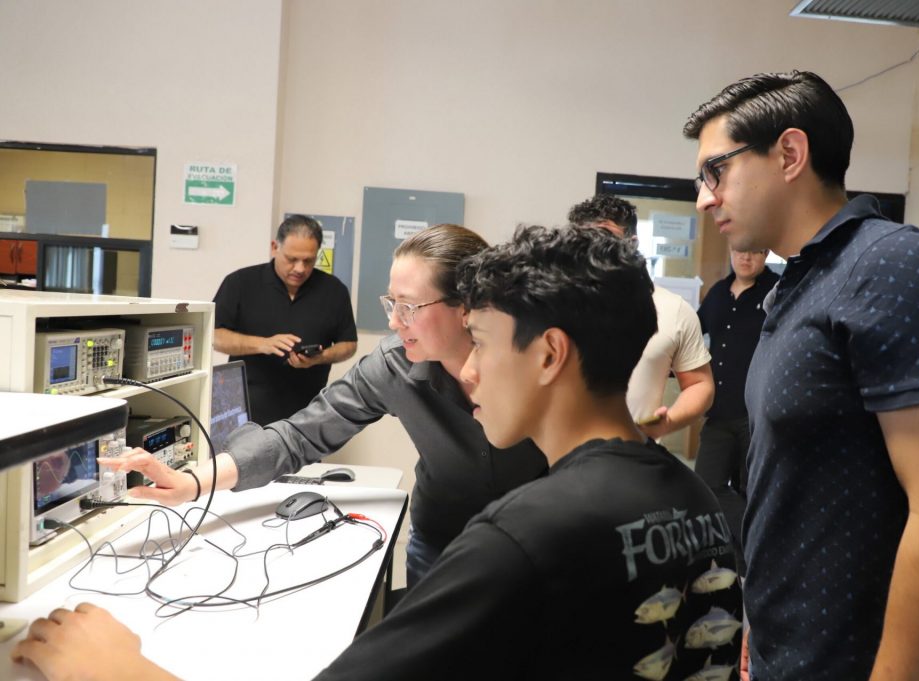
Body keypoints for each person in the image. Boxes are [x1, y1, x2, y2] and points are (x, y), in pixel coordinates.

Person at [12, 225, 741, 681]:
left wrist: (124, 671)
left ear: (548, 353)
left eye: (482, 342)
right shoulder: (696, 500)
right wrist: (199, 477)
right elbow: (304, 431)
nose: (471, 373)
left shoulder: (523, 536)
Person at [683, 70, 919, 681]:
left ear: (790, 154)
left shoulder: (894, 267)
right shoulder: (802, 283)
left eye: (715, 171)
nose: (704, 198)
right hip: (792, 649)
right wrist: (762, 624)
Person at [102, 224, 547, 588]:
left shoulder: (537, 361)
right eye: (392, 303)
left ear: (467, 306)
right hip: (442, 541)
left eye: (409, 306)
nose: (394, 322)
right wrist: (193, 483)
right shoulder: (393, 366)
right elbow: (299, 435)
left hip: (540, 542)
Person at [568, 195, 714, 441]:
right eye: (580, 240)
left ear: (632, 244)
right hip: (559, 456)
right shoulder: (555, 305)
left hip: (633, 451)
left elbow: (700, 384)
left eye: (602, 237)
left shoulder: (672, 309)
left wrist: (668, 422)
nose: (590, 249)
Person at [212, 214, 358, 425]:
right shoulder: (240, 283)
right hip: (244, 411)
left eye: (308, 260)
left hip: (308, 414)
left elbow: (349, 344)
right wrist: (263, 344)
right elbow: (214, 336)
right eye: (292, 259)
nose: (300, 268)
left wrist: (320, 357)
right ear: (275, 247)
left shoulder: (334, 290)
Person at [695, 247, 778, 574]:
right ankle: (763, 548)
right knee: (708, 483)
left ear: (765, 254)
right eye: (740, 251)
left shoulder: (778, 291)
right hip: (718, 410)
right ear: (731, 251)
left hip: (756, 413)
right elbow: (692, 333)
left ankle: (746, 569)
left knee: (750, 489)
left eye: (755, 252)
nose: (746, 258)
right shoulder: (718, 292)